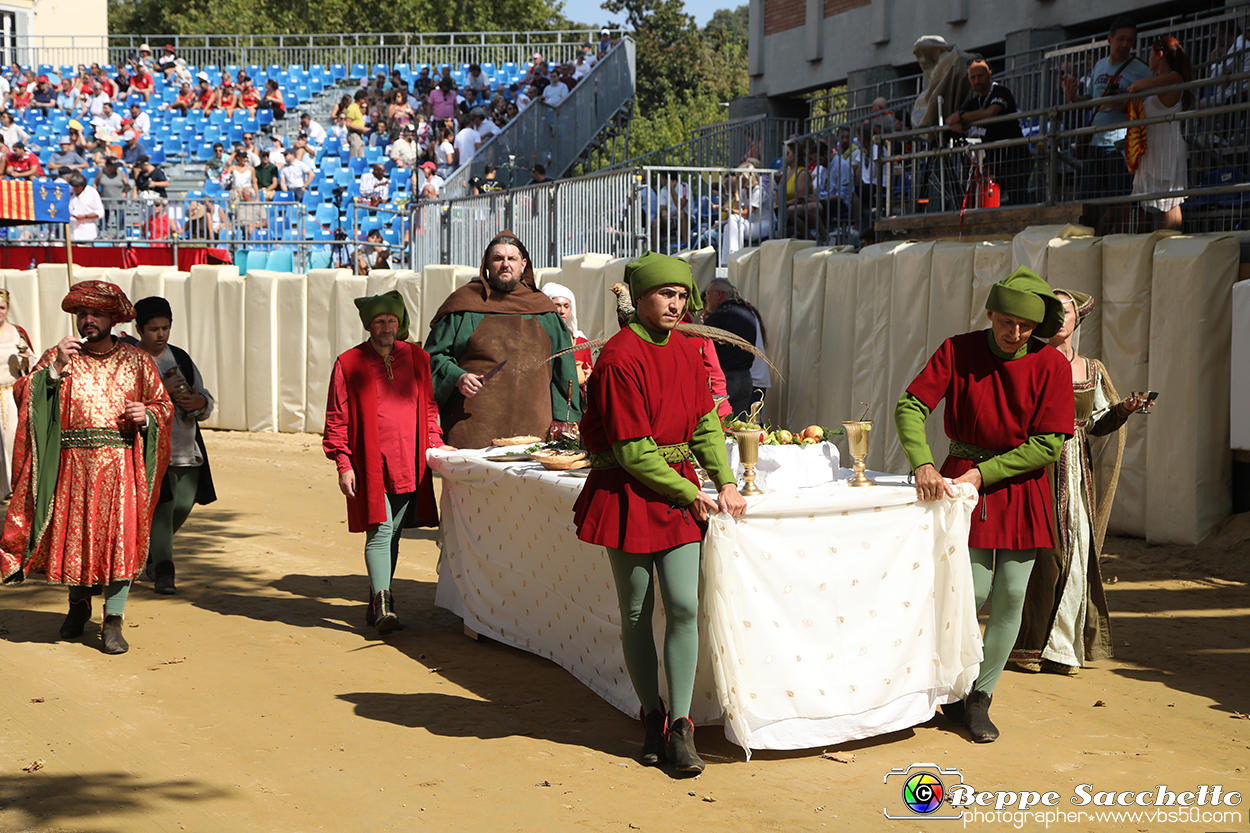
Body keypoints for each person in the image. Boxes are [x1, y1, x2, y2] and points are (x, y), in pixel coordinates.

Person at [573, 252, 747, 772]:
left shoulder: (691, 350)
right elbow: (630, 450)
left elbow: (704, 425)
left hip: (676, 492)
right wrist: (690, 492)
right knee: (635, 612)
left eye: (680, 295)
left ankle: (681, 726)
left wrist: (726, 480)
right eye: (664, 294)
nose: (675, 304)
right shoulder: (618, 357)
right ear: (641, 297)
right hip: (628, 494)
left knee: (684, 607)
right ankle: (651, 714)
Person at [894, 267, 1073, 742]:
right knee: (969, 593)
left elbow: (1048, 445)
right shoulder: (957, 349)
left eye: (1026, 327)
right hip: (959, 488)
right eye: (1006, 322)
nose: (1015, 334)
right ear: (990, 312)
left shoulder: (1052, 365)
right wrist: (923, 465)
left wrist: (982, 473)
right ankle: (954, 688)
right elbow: (910, 405)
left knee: (1012, 593)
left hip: (1021, 485)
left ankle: (981, 697)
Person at [0, 281, 172, 654]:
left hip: (121, 467)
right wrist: (55, 368)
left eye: (95, 313)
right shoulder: (60, 356)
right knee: (80, 539)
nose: (87, 320)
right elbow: (24, 393)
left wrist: (148, 415)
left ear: (113, 316)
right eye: (81, 314)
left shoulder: (138, 360)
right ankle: (78, 606)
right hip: (73, 465)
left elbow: (163, 405)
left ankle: (113, 620)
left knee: (119, 542)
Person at [1010, 290, 1145, 675]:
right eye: (1051, 311)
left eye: (1065, 311)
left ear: (1077, 320)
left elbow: (1098, 423)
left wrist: (1124, 409)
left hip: (1075, 468)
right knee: (1046, 556)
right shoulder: (1028, 358)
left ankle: (1062, 649)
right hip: (1036, 465)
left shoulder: (1091, 368)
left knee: (1077, 553)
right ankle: (1029, 645)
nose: (1059, 318)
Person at [324, 291, 447, 634]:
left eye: (392, 321)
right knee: (380, 529)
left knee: (392, 533)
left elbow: (430, 406)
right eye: (380, 321)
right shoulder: (348, 363)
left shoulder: (419, 358)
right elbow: (337, 417)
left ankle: (376, 600)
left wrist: (434, 442)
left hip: (410, 460)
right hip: (369, 462)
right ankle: (383, 605)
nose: (387, 328)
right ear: (368, 325)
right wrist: (343, 463)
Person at [425, 231, 582, 449]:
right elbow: (432, 358)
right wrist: (457, 377)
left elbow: (564, 372)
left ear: (523, 264)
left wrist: (566, 421)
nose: (505, 264)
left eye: (512, 259)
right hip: (471, 434)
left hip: (535, 436)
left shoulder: (544, 310)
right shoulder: (464, 305)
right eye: (498, 258)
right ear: (487, 264)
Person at [130, 297, 215, 596]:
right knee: (163, 509)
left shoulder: (180, 357)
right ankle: (164, 569)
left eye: (165, 328)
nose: (161, 335)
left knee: (183, 504)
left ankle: (149, 555)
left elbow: (203, 394)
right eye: (154, 329)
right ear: (139, 328)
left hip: (186, 447)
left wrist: (200, 401)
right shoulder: (130, 359)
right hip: (149, 450)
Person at [1064, 16, 1151, 234]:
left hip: (1120, 145)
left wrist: (1124, 105)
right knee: (1088, 199)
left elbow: (1152, 103)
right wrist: (1074, 97)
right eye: (1121, 39)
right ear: (1109, 40)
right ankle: (1087, 240)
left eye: (1130, 40)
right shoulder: (1100, 65)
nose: (1125, 45)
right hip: (1095, 141)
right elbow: (1092, 101)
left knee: (1120, 198)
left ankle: (1120, 242)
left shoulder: (1140, 70)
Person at [1127, 36, 1192, 231]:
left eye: (1150, 53)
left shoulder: (1174, 78)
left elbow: (1136, 86)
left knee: (1170, 202)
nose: (1148, 58)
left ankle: (1170, 250)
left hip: (1167, 148)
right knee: (1147, 202)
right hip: (1154, 149)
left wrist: (1132, 90)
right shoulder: (1161, 83)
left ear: (1159, 54)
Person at [948, 59, 1030, 207]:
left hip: (1015, 158)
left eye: (980, 76)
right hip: (992, 161)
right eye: (972, 77)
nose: (977, 80)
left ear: (990, 73)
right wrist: (958, 122)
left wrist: (961, 117)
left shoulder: (1001, 92)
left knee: (1018, 203)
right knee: (985, 202)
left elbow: (990, 113)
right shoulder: (974, 99)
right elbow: (951, 118)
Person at [703, 278, 765, 417]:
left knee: (719, 422)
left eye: (708, 294)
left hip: (724, 378)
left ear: (718, 294)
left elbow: (705, 347)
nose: (706, 298)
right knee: (739, 425)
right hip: (745, 378)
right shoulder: (749, 312)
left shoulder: (719, 316)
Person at [0, 288, 33, 498]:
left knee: (11, 440)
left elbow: (30, 363)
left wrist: (26, 357)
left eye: (1, 307)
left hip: (9, 393)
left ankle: (12, 488)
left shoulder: (17, 333)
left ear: (7, 309)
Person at [541, 282, 592, 386]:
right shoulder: (540, 338)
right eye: (557, 306)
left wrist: (588, 375)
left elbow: (588, 368)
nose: (562, 311)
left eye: (566, 306)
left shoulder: (581, 341)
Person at [67, 171, 104, 242]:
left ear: (83, 185)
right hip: (72, 233)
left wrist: (84, 216)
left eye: (77, 186)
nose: (75, 188)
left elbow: (100, 212)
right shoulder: (70, 192)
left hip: (86, 233)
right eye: (73, 185)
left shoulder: (92, 192)